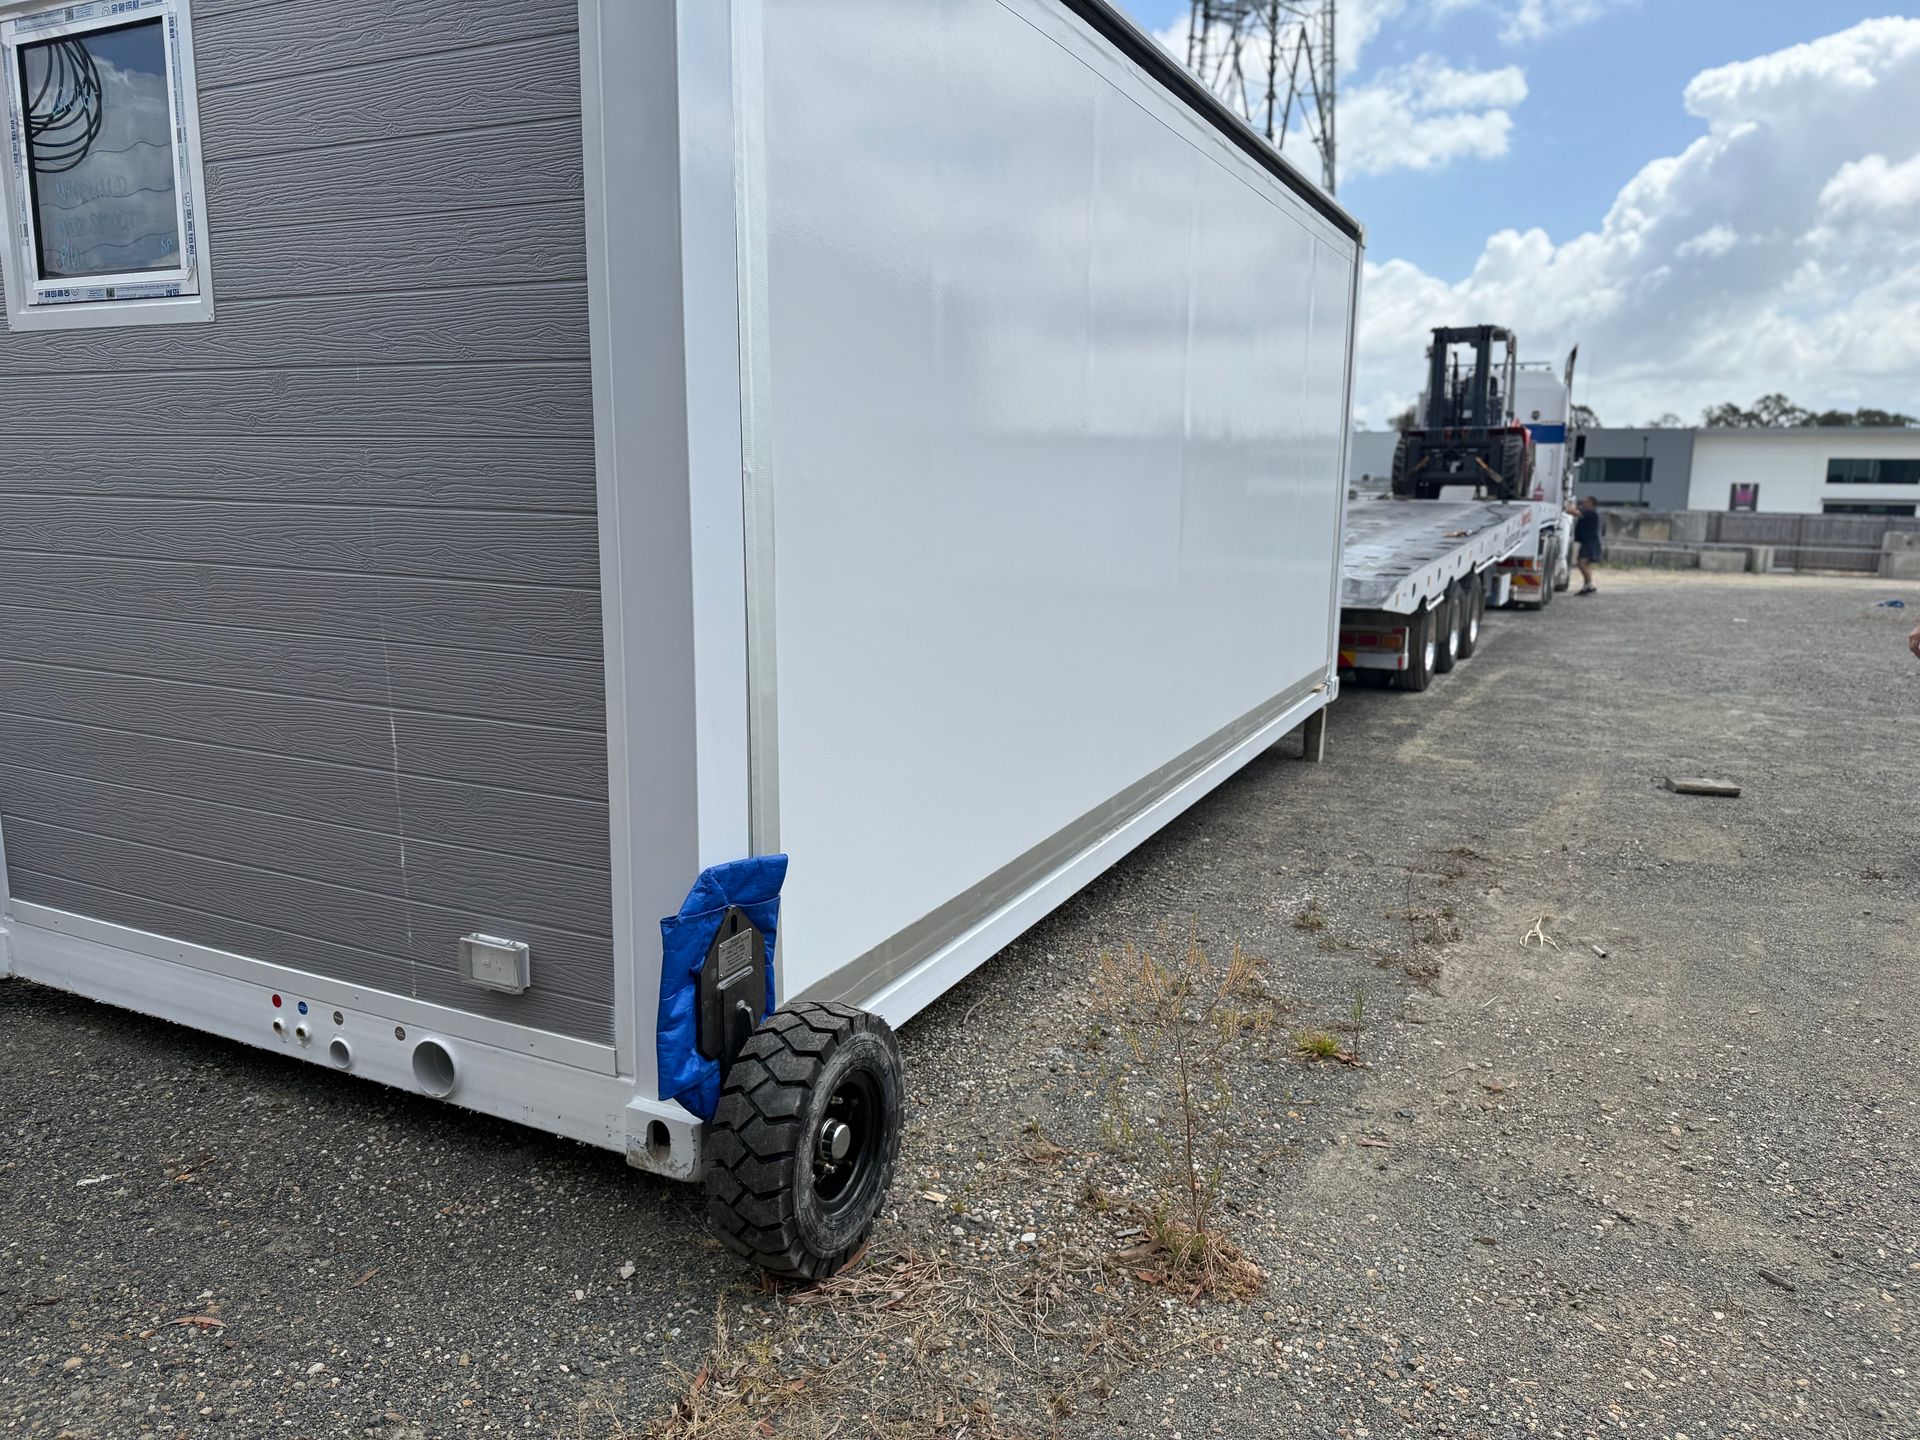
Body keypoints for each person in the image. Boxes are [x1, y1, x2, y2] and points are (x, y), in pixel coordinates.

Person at [1570, 496, 1603, 595]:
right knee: (1585, 564)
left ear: (1591, 503)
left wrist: (1567, 507)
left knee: (1582, 563)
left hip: (1590, 542)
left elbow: (1574, 512)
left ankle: (1589, 584)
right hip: (1588, 542)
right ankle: (1587, 585)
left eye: (1586, 502)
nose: (1583, 504)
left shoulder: (1590, 513)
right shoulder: (1591, 513)